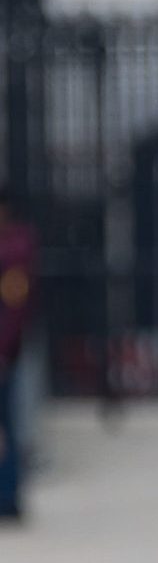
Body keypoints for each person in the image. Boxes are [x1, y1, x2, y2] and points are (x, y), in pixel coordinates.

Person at [0, 189, 39, 521]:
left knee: (9, 427)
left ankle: (9, 496)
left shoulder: (13, 250)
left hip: (4, 356)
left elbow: (13, 307)